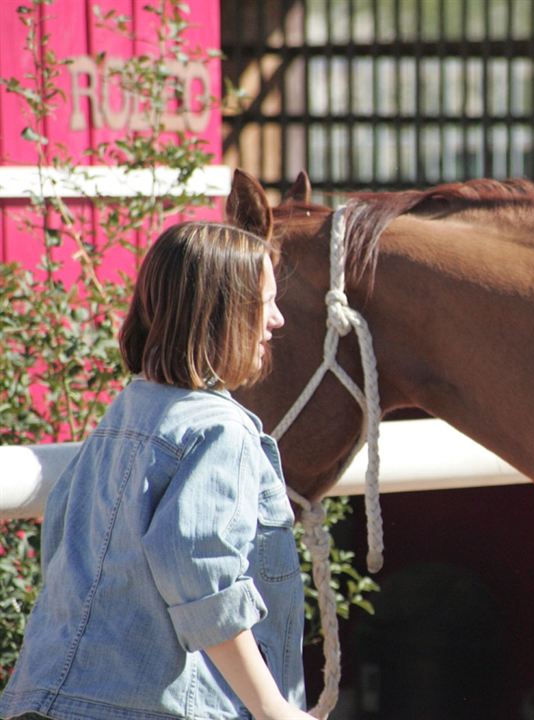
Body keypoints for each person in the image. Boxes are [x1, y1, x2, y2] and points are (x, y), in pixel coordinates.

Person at [0, 222, 314, 720]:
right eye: (265, 302)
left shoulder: (121, 415)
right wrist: (273, 708)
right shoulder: (219, 430)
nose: (276, 320)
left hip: (39, 697)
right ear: (223, 311)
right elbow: (203, 575)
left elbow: (62, 539)